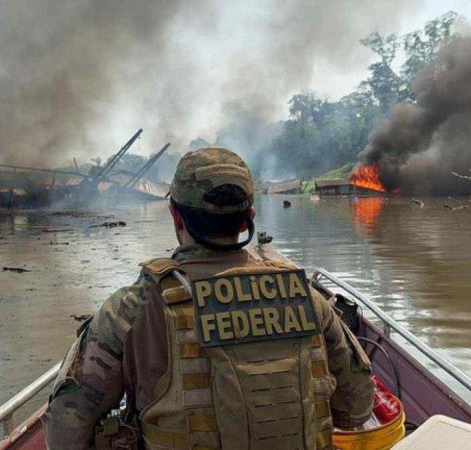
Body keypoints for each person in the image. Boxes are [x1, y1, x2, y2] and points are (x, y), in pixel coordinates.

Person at [43, 147, 374, 449]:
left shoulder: (132, 309)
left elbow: (65, 432)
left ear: (176, 216)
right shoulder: (306, 296)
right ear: (250, 217)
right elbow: (357, 407)